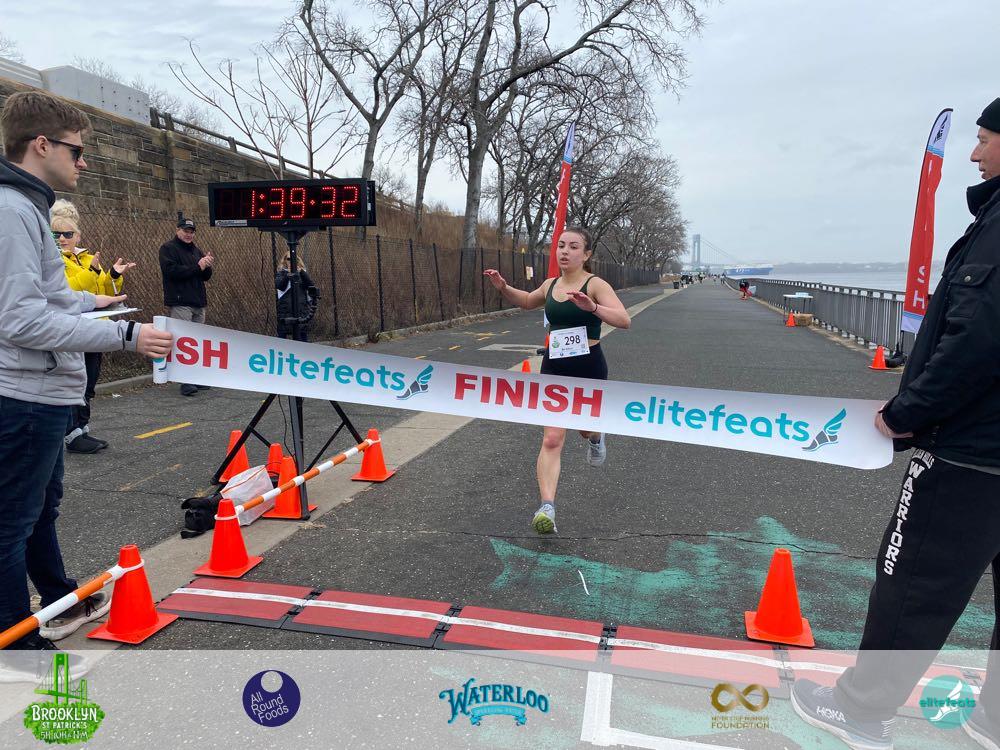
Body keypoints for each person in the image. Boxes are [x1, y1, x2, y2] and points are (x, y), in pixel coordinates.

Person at [791, 98, 1000, 750]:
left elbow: (978, 343)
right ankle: (994, 720)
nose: (974, 153)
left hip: (971, 452)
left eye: (985, 139)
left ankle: (861, 711)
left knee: (913, 580)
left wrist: (906, 413)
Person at [0, 91, 172, 655]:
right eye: (76, 151)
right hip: (25, 395)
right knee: (12, 521)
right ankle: (16, 642)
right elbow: (20, 320)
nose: (84, 162)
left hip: (44, 393)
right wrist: (124, 336)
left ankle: (57, 599)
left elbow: (45, 298)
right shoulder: (12, 212)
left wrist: (90, 303)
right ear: (40, 145)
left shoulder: (27, 207)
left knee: (38, 511)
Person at [484, 226, 630, 534]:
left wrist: (593, 307)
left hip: (589, 366)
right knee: (552, 438)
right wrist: (503, 287)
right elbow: (527, 301)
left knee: (584, 429)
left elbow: (624, 320)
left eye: (573, 247)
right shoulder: (551, 284)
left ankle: (596, 436)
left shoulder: (595, 284)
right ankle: (547, 507)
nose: (564, 251)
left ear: (586, 254)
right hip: (554, 366)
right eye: (561, 245)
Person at [52, 199, 137, 453]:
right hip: (73, 328)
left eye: (68, 234)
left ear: (78, 235)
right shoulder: (53, 260)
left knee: (89, 382)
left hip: (96, 328)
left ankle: (82, 427)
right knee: (75, 382)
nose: (62, 238)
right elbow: (68, 291)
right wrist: (90, 272)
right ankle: (72, 434)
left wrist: (113, 276)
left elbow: (104, 292)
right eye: (56, 233)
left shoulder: (88, 258)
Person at [159, 215, 213, 396]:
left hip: (198, 301)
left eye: (191, 232)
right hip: (181, 301)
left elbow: (205, 276)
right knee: (184, 341)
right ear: (178, 230)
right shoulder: (168, 248)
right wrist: (198, 266)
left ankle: (196, 377)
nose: (189, 234)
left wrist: (207, 265)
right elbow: (172, 272)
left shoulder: (196, 250)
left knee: (197, 341)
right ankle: (185, 380)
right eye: (185, 231)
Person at [275, 250, 318, 342]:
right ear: (284, 260)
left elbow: (310, 285)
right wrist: (288, 274)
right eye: (288, 259)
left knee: (302, 336)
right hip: (285, 311)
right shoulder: (281, 273)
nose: (291, 261)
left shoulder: (302, 273)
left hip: (301, 310)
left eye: (294, 259)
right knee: (282, 337)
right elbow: (280, 286)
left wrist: (301, 272)